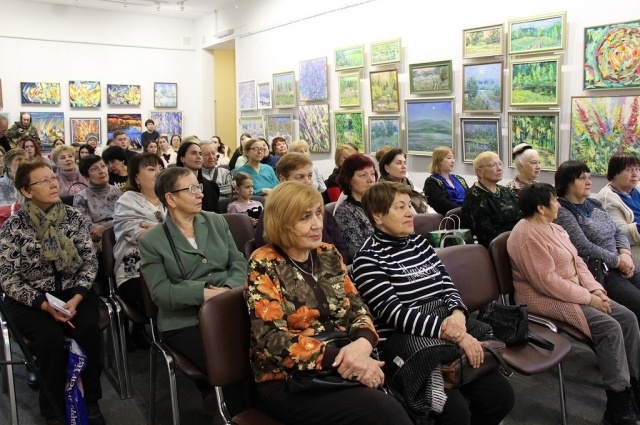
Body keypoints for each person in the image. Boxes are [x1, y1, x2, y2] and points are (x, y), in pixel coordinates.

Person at [244, 181, 412, 425]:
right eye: (305, 217)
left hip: (342, 359)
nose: (317, 224)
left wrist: (363, 344)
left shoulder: (328, 253)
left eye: (318, 213)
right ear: (282, 221)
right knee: (385, 411)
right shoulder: (264, 263)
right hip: (290, 379)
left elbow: (357, 308)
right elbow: (272, 340)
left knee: (410, 392)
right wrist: (348, 361)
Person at [353, 181, 514, 424]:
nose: (410, 213)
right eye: (400, 207)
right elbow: (394, 314)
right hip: (411, 345)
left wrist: (458, 314)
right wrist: (457, 334)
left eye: (409, 205)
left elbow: (447, 286)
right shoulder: (368, 258)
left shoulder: (420, 243)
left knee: (501, 398)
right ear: (377, 215)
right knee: (456, 415)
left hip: (447, 331)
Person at [508, 183, 640, 425]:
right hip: (544, 299)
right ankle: (618, 402)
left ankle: (633, 383)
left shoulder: (555, 228)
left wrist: (595, 290)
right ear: (540, 207)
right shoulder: (526, 236)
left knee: (628, 318)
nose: (559, 205)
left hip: (575, 291)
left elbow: (578, 262)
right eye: (554, 201)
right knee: (609, 327)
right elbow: (547, 283)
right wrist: (589, 298)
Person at [0, 158, 105, 425]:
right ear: (26, 191)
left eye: (52, 177)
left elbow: (89, 262)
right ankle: (53, 408)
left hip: (74, 292)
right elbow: (9, 278)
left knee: (87, 331)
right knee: (49, 339)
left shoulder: (73, 217)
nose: (53, 183)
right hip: (32, 298)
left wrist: (78, 297)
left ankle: (90, 399)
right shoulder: (14, 226)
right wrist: (44, 304)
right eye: (43, 180)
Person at [140, 166, 248, 414]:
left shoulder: (216, 221)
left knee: (263, 352)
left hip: (230, 307)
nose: (200, 193)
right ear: (170, 198)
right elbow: (161, 292)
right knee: (230, 363)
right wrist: (206, 294)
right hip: (184, 321)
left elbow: (239, 263)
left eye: (198, 187)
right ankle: (240, 414)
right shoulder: (152, 241)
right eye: (191, 189)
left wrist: (228, 290)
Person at [553, 160, 640, 324]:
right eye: (582, 178)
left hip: (620, 263)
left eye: (589, 177)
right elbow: (583, 247)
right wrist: (618, 261)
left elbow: (618, 231)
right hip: (601, 271)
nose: (589, 182)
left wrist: (625, 254)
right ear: (566, 184)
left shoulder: (594, 203)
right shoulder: (562, 211)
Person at [254, 152, 351, 263]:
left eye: (310, 176)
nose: (308, 182)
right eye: (300, 177)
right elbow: (269, 253)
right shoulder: (273, 213)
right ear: (283, 179)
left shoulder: (318, 209)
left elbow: (341, 247)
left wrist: (335, 265)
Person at [113, 153, 165, 350]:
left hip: (169, 267)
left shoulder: (170, 198)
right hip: (135, 272)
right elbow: (140, 236)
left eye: (160, 168)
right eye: (151, 169)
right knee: (162, 299)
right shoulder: (127, 201)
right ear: (136, 177)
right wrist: (169, 230)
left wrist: (158, 229)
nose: (158, 173)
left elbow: (187, 229)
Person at [462, 151, 521, 248]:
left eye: (500, 164)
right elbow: (486, 235)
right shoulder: (474, 197)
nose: (499, 168)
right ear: (480, 172)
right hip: (498, 246)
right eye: (493, 165)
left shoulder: (505, 190)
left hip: (517, 239)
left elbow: (520, 217)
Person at [595, 153, 640, 268]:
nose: (635, 174)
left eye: (637, 169)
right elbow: (620, 233)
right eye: (629, 170)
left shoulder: (637, 188)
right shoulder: (607, 199)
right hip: (631, 250)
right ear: (615, 173)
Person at [334, 153, 377, 260]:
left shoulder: (382, 203)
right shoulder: (345, 212)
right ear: (349, 180)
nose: (371, 179)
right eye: (363, 175)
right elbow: (357, 251)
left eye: (372, 174)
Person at [74, 154, 122, 251]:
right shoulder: (81, 197)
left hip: (120, 235)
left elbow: (125, 218)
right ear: (86, 176)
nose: (101, 171)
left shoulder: (117, 191)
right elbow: (87, 227)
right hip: (97, 243)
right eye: (94, 169)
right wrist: (114, 225)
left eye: (103, 166)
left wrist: (105, 227)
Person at [378, 148, 433, 213]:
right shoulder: (383, 191)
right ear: (386, 168)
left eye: (404, 163)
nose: (403, 166)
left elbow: (426, 207)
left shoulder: (409, 184)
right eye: (398, 163)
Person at [176, 137, 220, 212]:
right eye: (193, 153)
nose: (199, 157)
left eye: (200, 153)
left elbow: (216, 215)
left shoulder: (211, 187)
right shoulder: (174, 186)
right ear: (182, 158)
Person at [423, 146, 469, 215]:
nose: (453, 161)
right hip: (450, 217)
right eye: (449, 158)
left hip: (467, 214)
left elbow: (470, 197)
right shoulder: (431, 182)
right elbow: (442, 204)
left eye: (454, 158)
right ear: (439, 161)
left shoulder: (459, 179)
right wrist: (465, 211)